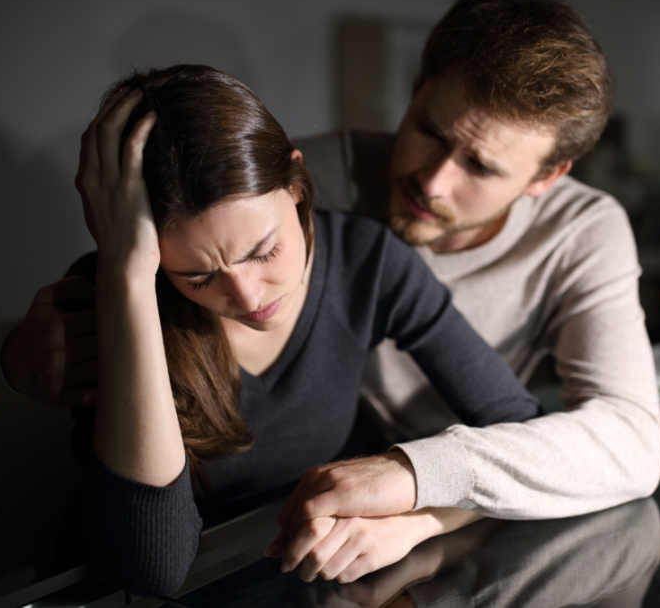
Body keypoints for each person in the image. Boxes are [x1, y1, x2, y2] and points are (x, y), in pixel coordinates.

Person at [1, 0, 660, 583]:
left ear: (545, 179)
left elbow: (619, 443)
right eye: (429, 130)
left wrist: (416, 494)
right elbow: (191, 200)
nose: (432, 183)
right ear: (415, 92)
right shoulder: (279, 182)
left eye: (481, 166)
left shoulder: (569, 232)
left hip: (382, 510)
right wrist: (30, 345)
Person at [64, 64, 541, 597]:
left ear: (295, 184)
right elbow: (155, 568)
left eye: (264, 251)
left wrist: (420, 518)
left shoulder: (370, 261)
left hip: (334, 579)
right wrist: (125, 276)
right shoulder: (113, 294)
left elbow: (526, 437)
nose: (248, 297)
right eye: (196, 276)